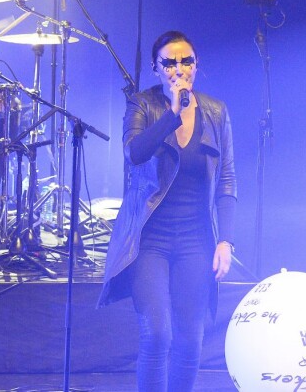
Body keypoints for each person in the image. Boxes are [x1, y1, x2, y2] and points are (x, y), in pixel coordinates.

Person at [98, 30, 237, 392]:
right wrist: (173, 112)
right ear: (157, 70)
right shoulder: (142, 106)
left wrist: (226, 241)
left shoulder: (216, 112)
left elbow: (227, 180)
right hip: (149, 240)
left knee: (191, 340)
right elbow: (135, 152)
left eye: (186, 61)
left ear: (196, 65)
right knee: (158, 334)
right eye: (170, 63)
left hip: (195, 240)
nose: (179, 69)